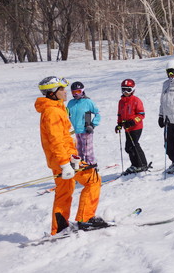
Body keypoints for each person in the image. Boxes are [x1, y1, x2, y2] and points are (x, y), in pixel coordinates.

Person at [35, 76, 106, 235]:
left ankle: (60, 228)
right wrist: (65, 163)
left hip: (61, 160)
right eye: (61, 89)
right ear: (53, 93)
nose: (65, 92)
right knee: (93, 180)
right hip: (64, 160)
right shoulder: (52, 111)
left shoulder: (55, 108)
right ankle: (86, 219)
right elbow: (56, 140)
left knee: (64, 192)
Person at [116, 79, 149, 175]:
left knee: (132, 145)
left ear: (133, 90)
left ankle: (140, 164)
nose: (125, 92)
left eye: (128, 90)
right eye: (123, 90)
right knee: (129, 147)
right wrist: (119, 124)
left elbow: (141, 115)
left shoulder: (136, 100)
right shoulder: (121, 102)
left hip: (136, 128)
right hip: (127, 128)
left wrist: (132, 122)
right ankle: (136, 164)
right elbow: (120, 115)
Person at [66, 81, 101, 166]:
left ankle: (91, 167)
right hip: (76, 131)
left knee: (87, 152)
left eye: (78, 91)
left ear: (82, 91)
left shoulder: (88, 102)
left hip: (86, 130)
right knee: (78, 152)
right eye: (73, 92)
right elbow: (66, 115)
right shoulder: (71, 103)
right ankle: (81, 170)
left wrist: (92, 125)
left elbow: (98, 114)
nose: (76, 94)